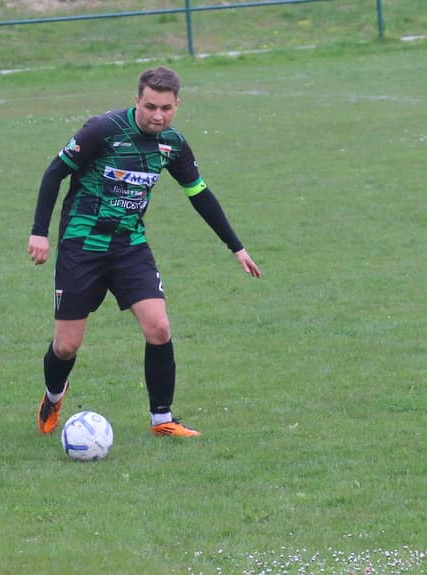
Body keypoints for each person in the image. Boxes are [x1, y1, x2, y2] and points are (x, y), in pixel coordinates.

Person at [28, 65, 262, 438]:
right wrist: (39, 233)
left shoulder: (172, 144)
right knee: (67, 344)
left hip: (129, 247)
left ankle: (162, 419)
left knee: (159, 327)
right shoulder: (102, 130)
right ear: (136, 100)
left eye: (166, 108)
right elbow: (54, 172)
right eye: (150, 106)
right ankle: (54, 395)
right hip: (82, 245)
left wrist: (237, 247)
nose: (158, 116)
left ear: (177, 105)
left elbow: (199, 194)